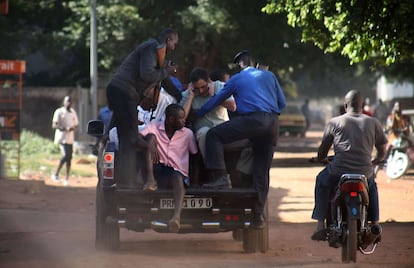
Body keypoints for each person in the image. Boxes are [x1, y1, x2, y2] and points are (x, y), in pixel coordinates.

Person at [196, 50, 286, 229]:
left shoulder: (236, 79)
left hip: (253, 120)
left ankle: (221, 177)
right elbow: (281, 104)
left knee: (214, 135)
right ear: (252, 62)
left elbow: (217, 100)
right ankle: (258, 216)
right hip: (272, 124)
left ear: (239, 65)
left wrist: (197, 113)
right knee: (261, 172)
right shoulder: (269, 76)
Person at [105, 28, 180, 190]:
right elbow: (147, 74)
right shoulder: (152, 47)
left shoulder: (155, 51)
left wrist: (181, 97)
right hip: (124, 92)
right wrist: (165, 71)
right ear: (168, 40)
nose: (175, 47)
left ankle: (127, 181)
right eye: (174, 43)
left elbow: (163, 81)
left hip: (122, 93)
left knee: (128, 137)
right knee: (129, 139)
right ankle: (127, 183)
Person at [310, 90, 387, 240]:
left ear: (345, 105)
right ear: (363, 105)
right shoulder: (373, 122)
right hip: (365, 171)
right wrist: (376, 160)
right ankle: (375, 223)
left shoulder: (335, 122)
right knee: (372, 188)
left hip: (338, 171)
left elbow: (323, 150)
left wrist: (321, 159)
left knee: (321, 181)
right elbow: (382, 149)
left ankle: (320, 224)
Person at [140, 104, 198, 232]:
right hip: (157, 169)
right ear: (171, 119)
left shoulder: (188, 134)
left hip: (176, 173)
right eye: (181, 118)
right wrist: (149, 144)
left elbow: (195, 155)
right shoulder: (155, 126)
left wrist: (195, 180)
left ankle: (176, 217)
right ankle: (150, 181)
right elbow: (140, 137)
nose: (184, 120)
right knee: (150, 137)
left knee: (177, 177)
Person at [51, 96, 79, 186]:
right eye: (67, 101)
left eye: (70, 102)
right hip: (61, 138)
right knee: (65, 155)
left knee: (69, 158)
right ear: (64, 102)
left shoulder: (73, 112)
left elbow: (76, 124)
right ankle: (56, 173)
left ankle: (66, 178)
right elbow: (54, 125)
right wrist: (64, 128)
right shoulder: (59, 112)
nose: (69, 103)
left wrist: (72, 128)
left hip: (70, 138)